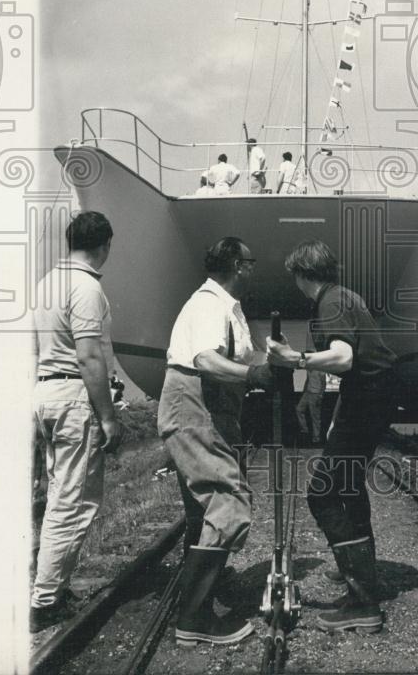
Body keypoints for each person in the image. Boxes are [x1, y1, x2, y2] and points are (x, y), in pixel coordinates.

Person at [267, 239, 397, 633]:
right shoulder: (343, 296)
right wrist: (336, 412)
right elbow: (356, 366)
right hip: (371, 397)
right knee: (349, 486)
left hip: (369, 399)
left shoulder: (330, 302)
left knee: (323, 493)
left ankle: (364, 602)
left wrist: (296, 359)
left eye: (296, 277)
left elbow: (344, 358)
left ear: (303, 274)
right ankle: (360, 572)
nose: (295, 284)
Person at [157, 237, 275, 646]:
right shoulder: (209, 303)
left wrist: (269, 361)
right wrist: (251, 376)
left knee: (203, 508)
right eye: (251, 262)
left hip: (212, 407)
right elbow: (205, 359)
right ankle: (194, 617)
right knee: (229, 500)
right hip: (195, 403)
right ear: (238, 266)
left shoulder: (224, 304)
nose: (253, 269)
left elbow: (235, 357)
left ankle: (200, 597)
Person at [30, 212, 122, 633]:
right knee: (72, 502)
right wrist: (107, 417)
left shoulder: (46, 282)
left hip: (45, 392)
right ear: (104, 244)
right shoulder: (86, 287)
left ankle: (54, 587)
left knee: (57, 497)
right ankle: (46, 599)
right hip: (72, 396)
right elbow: (88, 356)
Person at [296, 366, 326, 444]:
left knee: (315, 416)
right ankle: (304, 430)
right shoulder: (309, 369)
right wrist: (303, 391)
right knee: (299, 409)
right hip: (307, 392)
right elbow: (307, 380)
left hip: (315, 394)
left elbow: (323, 383)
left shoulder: (320, 369)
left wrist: (320, 396)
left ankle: (316, 438)